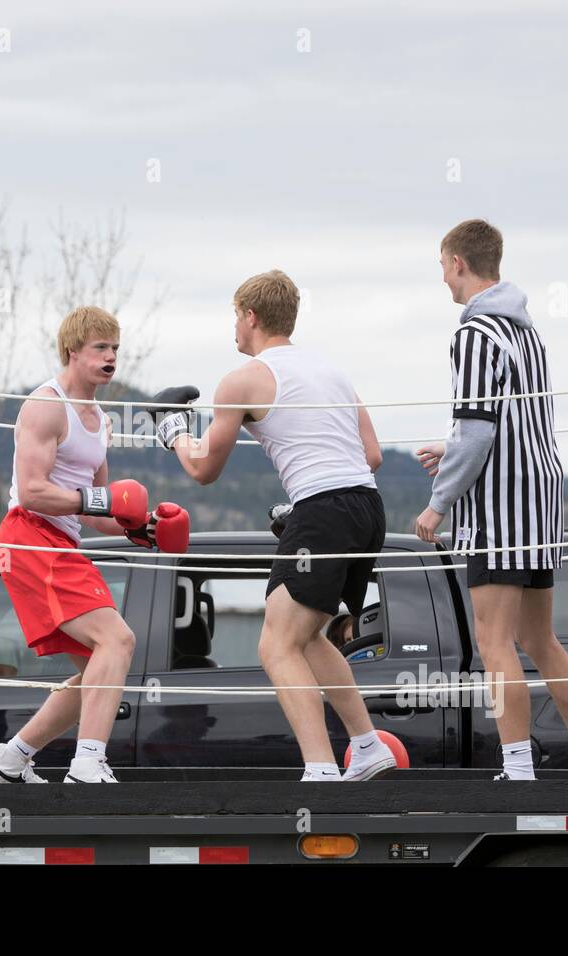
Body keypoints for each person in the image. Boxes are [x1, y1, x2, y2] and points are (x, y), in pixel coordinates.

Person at [154, 270, 398, 782]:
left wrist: (172, 429)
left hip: (326, 509)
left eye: (234, 319)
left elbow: (202, 469)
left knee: (275, 644)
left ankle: (320, 769)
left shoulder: (243, 379)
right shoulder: (331, 371)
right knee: (308, 638)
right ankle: (369, 745)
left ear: (250, 317)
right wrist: (306, 504)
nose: (234, 332)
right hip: (365, 507)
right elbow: (371, 455)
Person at [413, 218, 568, 781]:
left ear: (458, 263)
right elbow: (496, 427)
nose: (443, 280)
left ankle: (519, 768)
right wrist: (451, 448)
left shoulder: (474, 335)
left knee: (494, 643)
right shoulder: (528, 334)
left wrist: (439, 502)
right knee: (539, 638)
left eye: (442, 266)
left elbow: (478, 433)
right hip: (541, 500)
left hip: (500, 512)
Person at [0, 306, 190, 785]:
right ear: (73, 351)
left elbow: (98, 512)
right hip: (30, 532)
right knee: (118, 640)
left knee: (100, 669)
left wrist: (143, 527)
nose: (111, 356)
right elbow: (32, 490)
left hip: (61, 538)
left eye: (115, 347)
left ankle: (8, 762)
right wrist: (101, 500)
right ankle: (87, 763)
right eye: (100, 347)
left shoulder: (99, 419)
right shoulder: (46, 406)